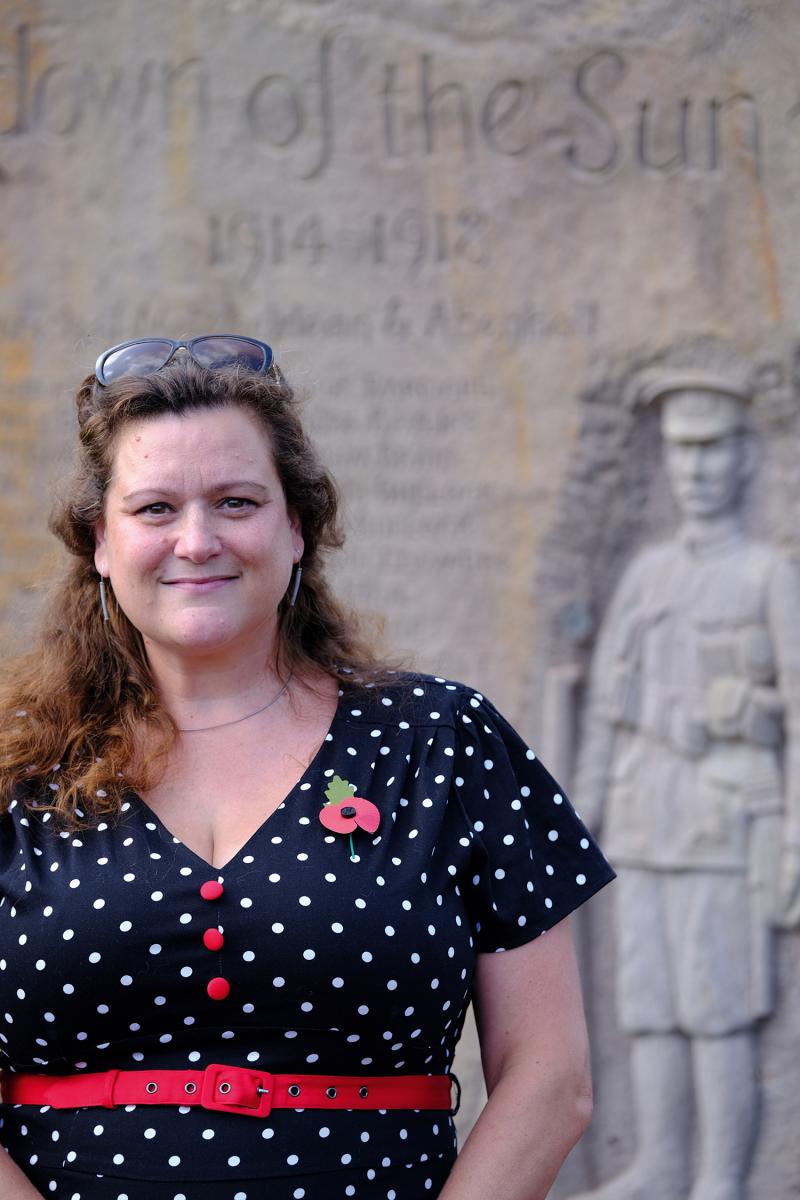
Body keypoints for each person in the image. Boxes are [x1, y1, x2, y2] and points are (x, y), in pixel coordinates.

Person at [0, 335, 614, 1200]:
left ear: (296, 528)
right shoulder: (14, 771)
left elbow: (552, 1080)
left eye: (237, 501)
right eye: (155, 510)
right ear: (101, 542)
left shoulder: (442, 742)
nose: (197, 539)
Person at [569, 371, 800, 1200]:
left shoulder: (769, 574)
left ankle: (720, 1179)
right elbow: (606, 709)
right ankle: (661, 1163)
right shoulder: (647, 574)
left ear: (744, 459)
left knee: (717, 1004)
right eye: (680, 451)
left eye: (711, 450)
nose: (694, 469)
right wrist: (578, 825)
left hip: (724, 822)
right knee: (653, 1002)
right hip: (643, 814)